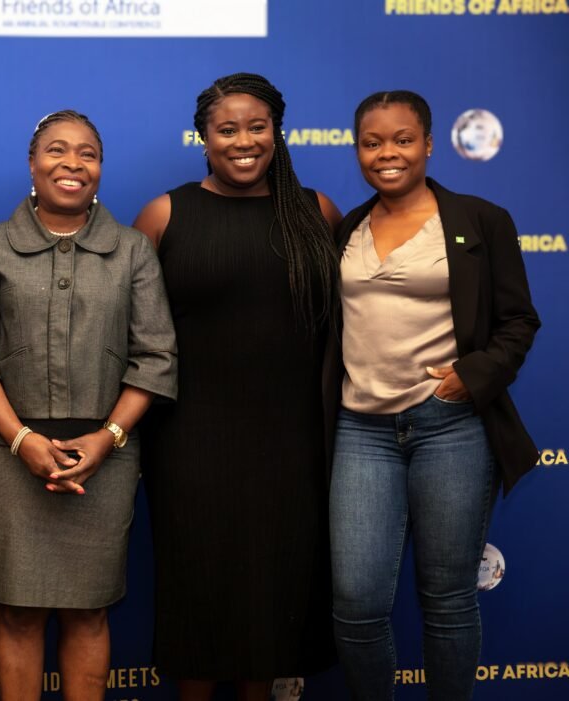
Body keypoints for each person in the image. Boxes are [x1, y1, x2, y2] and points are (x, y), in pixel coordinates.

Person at [0, 110, 177, 700]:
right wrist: (21, 440)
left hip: (107, 453)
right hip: (7, 452)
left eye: (87, 153)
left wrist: (108, 439)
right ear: (32, 163)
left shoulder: (132, 250)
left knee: (89, 608)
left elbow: (156, 357)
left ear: (100, 167)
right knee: (17, 610)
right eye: (56, 150)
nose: (72, 163)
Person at [133, 73, 342, 701]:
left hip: (292, 443)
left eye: (257, 127)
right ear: (204, 138)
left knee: (271, 599)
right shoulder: (164, 215)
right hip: (189, 441)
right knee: (199, 594)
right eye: (227, 129)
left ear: (277, 132)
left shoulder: (317, 211)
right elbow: (131, 332)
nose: (243, 141)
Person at [326, 90, 540, 701]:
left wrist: (471, 376)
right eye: (372, 143)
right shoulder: (347, 229)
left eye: (402, 140)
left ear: (427, 143)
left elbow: (518, 321)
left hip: (450, 426)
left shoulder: (480, 220)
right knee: (356, 601)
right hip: (361, 429)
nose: (387, 153)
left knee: (447, 599)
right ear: (357, 150)